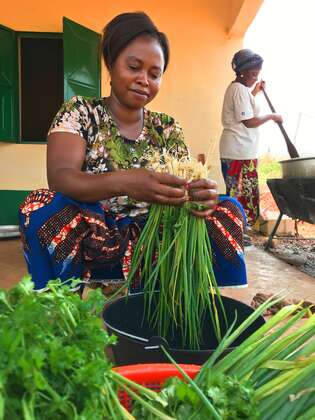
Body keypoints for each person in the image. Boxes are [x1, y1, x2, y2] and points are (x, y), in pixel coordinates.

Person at [19, 12, 248, 292]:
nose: (144, 80)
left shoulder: (166, 127)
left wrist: (200, 196)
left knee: (229, 209)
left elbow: (185, 187)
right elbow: (61, 177)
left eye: (155, 74)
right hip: (97, 236)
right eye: (134, 67)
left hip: (156, 237)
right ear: (111, 64)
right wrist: (127, 182)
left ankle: (190, 301)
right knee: (38, 206)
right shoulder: (80, 112)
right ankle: (63, 303)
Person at [219, 48, 283, 231]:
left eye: (257, 74)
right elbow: (248, 121)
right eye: (253, 74)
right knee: (239, 194)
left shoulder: (240, 89)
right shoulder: (238, 89)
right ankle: (235, 231)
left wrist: (254, 92)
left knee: (242, 193)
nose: (256, 77)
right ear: (242, 71)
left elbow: (244, 108)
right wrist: (272, 116)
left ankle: (238, 230)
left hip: (241, 150)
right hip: (238, 152)